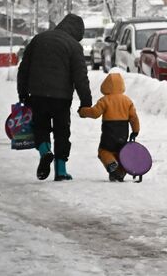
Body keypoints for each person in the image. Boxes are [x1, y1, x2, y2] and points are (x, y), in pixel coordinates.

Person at [16, 13, 93, 181]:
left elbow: (24, 68)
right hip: (61, 98)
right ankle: (61, 170)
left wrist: (22, 93)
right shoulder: (74, 46)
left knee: (40, 127)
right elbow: (80, 77)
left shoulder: (38, 39)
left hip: (37, 94)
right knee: (62, 132)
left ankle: (45, 152)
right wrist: (86, 101)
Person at [77, 72, 141, 181]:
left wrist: (83, 111)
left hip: (109, 132)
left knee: (104, 151)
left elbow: (95, 113)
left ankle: (111, 164)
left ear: (106, 85)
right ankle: (120, 172)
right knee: (120, 153)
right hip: (122, 133)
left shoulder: (105, 100)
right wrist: (135, 130)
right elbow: (134, 117)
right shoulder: (127, 101)